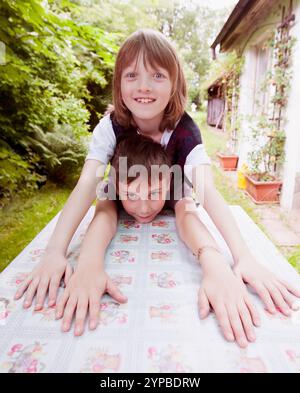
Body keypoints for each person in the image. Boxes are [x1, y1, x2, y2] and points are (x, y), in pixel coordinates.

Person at [14, 28, 300, 347]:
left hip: (175, 196)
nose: (144, 86)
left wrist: (240, 257)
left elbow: (206, 194)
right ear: (118, 83)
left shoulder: (186, 132)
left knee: (186, 208)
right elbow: (88, 186)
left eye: (157, 75)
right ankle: (90, 262)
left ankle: (213, 263)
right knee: (105, 204)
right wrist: (57, 252)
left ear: (174, 83)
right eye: (132, 74)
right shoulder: (110, 128)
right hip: (122, 194)